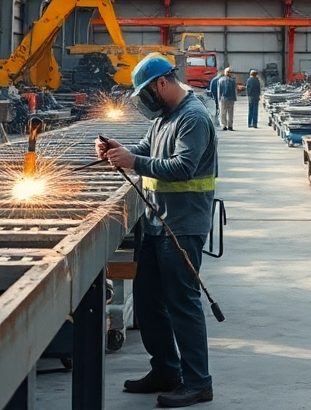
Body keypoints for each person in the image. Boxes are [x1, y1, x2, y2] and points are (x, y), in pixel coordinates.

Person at [98, 54, 218, 407]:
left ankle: (198, 382)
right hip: (156, 222)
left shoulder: (193, 118)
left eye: (146, 93)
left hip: (182, 225)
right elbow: (145, 151)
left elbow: (182, 167)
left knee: (182, 304)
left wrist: (132, 162)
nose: (145, 101)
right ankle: (166, 370)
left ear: (162, 83)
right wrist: (117, 151)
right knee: (149, 301)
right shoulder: (165, 117)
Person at [209, 67, 237, 131]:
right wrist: (235, 98)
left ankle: (224, 125)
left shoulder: (220, 80)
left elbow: (219, 90)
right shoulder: (233, 81)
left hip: (223, 98)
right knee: (230, 112)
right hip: (231, 98)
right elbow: (235, 90)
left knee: (223, 112)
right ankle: (230, 125)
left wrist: (219, 98)